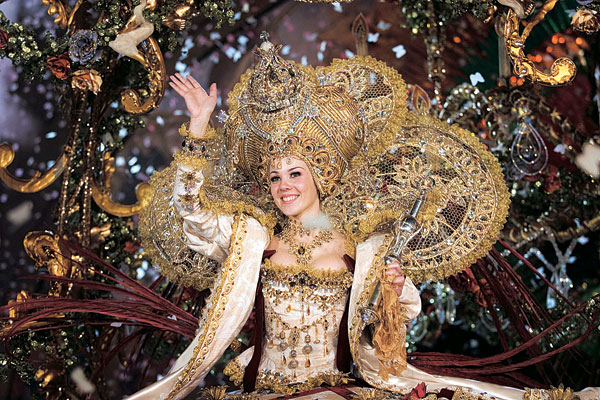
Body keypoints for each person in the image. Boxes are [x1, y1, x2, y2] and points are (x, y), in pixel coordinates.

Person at [127, 38, 599, 400]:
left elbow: (393, 327)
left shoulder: (363, 247)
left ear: (320, 175)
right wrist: (198, 125)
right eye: (274, 177)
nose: (284, 186)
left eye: (295, 173)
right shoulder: (252, 238)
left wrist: (392, 294)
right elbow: (192, 212)